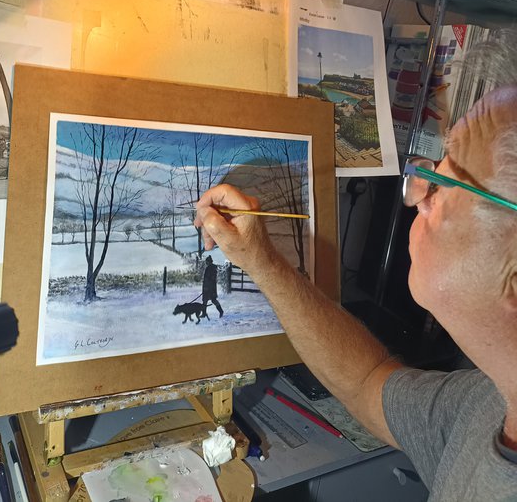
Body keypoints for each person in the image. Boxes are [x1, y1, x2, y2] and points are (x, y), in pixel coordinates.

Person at [194, 39, 517, 501]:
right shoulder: (485, 405)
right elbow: (369, 383)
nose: (418, 190)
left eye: (448, 178)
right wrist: (260, 260)